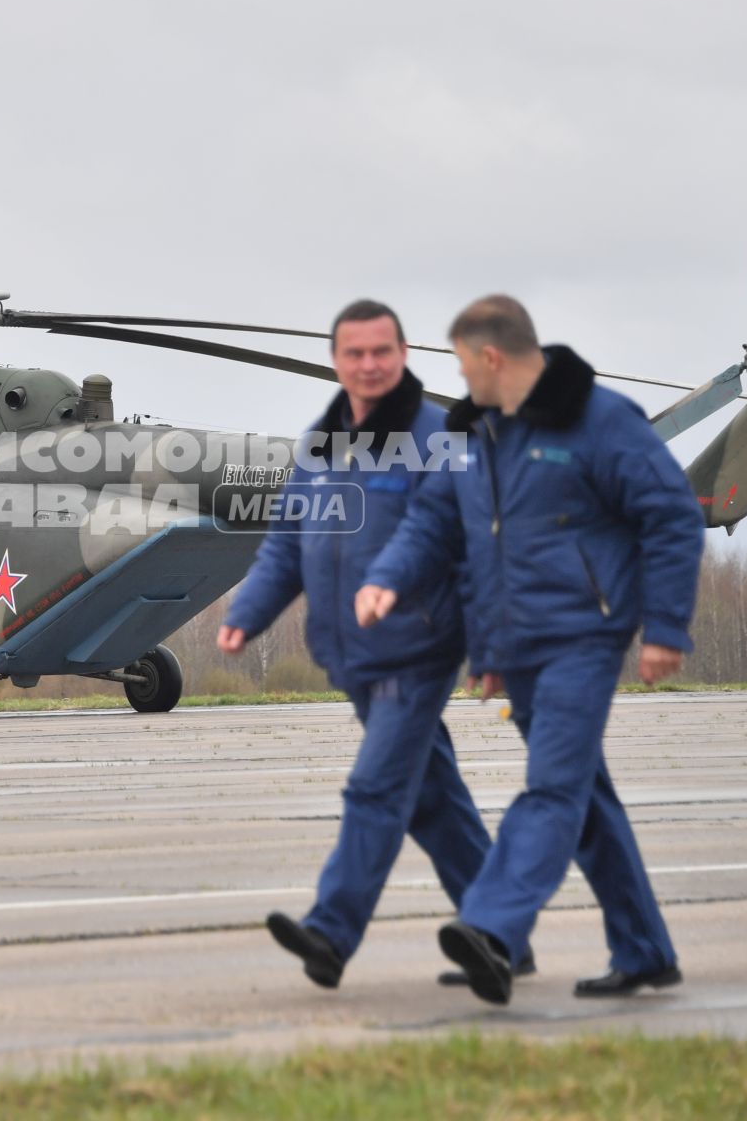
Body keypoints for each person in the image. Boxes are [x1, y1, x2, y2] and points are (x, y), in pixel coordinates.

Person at [355, 294, 704, 1005]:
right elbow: (438, 526)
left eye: (459, 362)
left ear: (490, 356)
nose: (458, 378)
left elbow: (670, 516)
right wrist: (391, 582)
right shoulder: (481, 434)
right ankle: (645, 950)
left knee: (552, 790)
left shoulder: (601, 421)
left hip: (583, 636)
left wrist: (666, 628)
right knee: (585, 798)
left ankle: (492, 927)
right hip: (519, 648)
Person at [219, 299, 509, 990]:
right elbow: (291, 541)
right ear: (337, 361)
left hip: (419, 644)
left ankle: (331, 931)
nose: (370, 365)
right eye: (356, 353)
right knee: (432, 798)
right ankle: (502, 930)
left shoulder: (442, 437)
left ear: (404, 354)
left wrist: (493, 650)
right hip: (348, 652)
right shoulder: (322, 441)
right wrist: (248, 612)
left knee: (376, 789)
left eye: (382, 351)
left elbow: (476, 550)